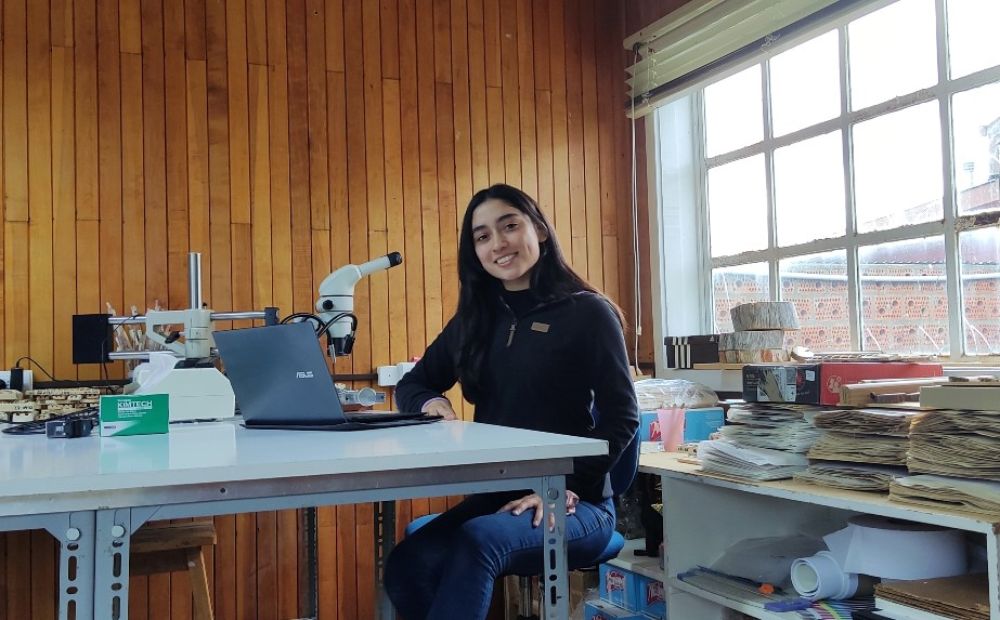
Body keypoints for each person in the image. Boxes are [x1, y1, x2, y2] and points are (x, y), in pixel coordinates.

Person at [384, 184, 639, 619]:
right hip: (494, 497)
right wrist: (430, 403)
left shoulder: (587, 313)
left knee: (479, 541)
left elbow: (623, 417)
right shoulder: (474, 320)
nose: (498, 243)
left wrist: (566, 488)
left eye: (509, 226)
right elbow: (414, 383)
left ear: (538, 230)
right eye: (482, 236)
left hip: (578, 502)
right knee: (408, 563)